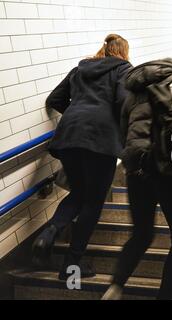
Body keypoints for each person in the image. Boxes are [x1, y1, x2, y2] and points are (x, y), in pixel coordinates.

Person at [101, 58, 172, 300]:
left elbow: (124, 131)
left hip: (136, 168)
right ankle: (165, 296)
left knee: (141, 233)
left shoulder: (132, 95)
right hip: (171, 167)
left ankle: (116, 285)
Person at [32, 34, 132, 280]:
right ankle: (71, 265)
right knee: (93, 201)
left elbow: (55, 99)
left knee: (78, 192)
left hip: (69, 135)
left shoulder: (80, 68)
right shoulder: (123, 69)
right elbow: (123, 102)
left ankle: (48, 235)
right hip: (101, 138)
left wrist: (78, 113)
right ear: (124, 52)